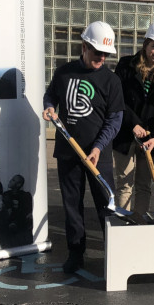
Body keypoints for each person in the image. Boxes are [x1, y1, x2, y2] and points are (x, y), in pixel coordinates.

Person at [42, 21, 124, 273]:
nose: (101, 58)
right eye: (97, 52)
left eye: (105, 54)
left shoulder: (111, 81)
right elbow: (50, 96)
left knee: (105, 205)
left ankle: (113, 253)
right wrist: (49, 107)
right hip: (68, 151)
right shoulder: (64, 72)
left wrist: (98, 147)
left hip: (100, 155)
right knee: (72, 205)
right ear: (84, 46)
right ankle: (76, 253)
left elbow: (115, 120)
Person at [112, 21, 154, 217]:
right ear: (146, 44)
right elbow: (118, 99)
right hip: (125, 133)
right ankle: (123, 225)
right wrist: (134, 124)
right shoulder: (126, 66)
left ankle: (139, 223)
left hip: (149, 137)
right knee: (125, 184)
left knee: (143, 184)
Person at [0, 174, 34, 249]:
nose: (10, 181)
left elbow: (27, 211)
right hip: (8, 221)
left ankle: (14, 224)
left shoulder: (25, 195)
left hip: (20, 222)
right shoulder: (6, 194)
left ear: (18, 184)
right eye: (12, 179)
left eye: (13, 180)